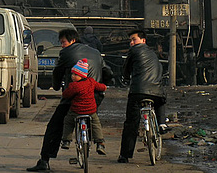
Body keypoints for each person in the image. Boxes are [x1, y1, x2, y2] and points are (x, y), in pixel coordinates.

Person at [27, 28, 113, 172]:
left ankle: (45, 160)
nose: (62, 45)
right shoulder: (96, 52)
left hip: (73, 98)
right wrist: (104, 84)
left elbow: (57, 72)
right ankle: (97, 142)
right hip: (94, 97)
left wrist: (55, 87)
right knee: (93, 116)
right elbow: (107, 71)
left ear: (72, 40)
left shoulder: (66, 52)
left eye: (63, 42)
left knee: (55, 126)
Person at [118, 29, 167, 163]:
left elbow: (126, 69)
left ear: (143, 40)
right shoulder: (154, 54)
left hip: (138, 91)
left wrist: (126, 77)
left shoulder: (134, 51)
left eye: (134, 39)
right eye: (130, 41)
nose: (131, 43)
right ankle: (162, 123)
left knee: (131, 123)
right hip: (156, 91)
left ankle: (124, 155)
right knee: (161, 100)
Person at [60, 58, 107, 155]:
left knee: (68, 122)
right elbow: (101, 87)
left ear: (81, 75)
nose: (72, 76)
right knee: (96, 124)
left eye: (75, 74)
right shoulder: (91, 82)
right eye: (72, 74)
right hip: (91, 111)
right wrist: (104, 87)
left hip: (76, 111)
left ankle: (66, 141)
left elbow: (66, 94)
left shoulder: (74, 86)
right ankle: (100, 143)